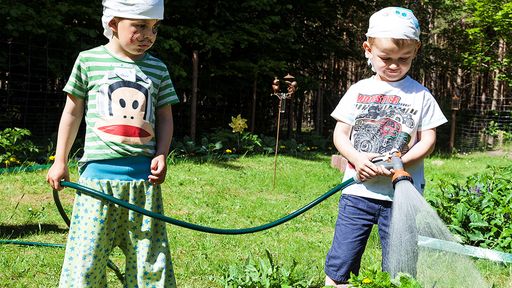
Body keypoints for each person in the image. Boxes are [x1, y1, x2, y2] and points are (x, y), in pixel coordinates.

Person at [46, 0, 179, 287]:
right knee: (86, 259)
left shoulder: (158, 69)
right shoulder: (88, 60)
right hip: (96, 183)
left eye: (154, 28)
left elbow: (165, 116)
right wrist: (60, 160)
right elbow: (72, 112)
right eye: (140, 26)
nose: (148, 35)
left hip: (144, 184)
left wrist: (162, 154)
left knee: (150, 260)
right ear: (113, 24)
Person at [324, 7, 447, 287]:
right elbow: (340, 135)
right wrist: (357, 159)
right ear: (368, 49)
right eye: (386, 58)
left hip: (401, 197)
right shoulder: (358, 90)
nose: (394, 65)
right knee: (341, 260)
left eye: (403, 59)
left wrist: (399, 161)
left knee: (400, 269)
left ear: (416, 51)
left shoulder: (421, 96)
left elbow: (428, 140)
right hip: (358, 192)